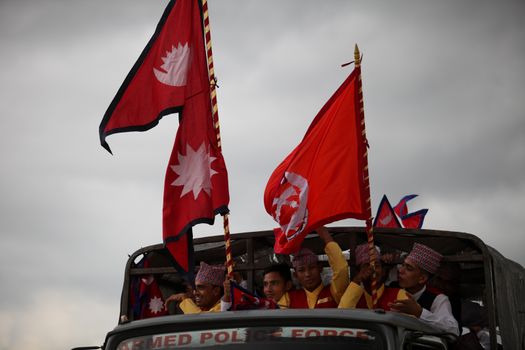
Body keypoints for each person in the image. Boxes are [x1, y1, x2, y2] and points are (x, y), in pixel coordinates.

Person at [389, 243, 460, 336]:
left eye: (409, 268)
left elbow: (453, 329)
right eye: (402, 265)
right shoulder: (391, 288)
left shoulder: (438, 298)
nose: (401, 270)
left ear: (422, 278)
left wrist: (419, 313)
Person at [287, 226, 349, 308]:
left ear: (320, 268)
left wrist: (325, 236)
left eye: (312, 268)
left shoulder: (334, 291)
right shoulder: (289, 298)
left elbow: (341, 270)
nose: (307, 274)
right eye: (301, 270)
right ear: (295, 275)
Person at [338, 243, 408, 310]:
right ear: (358, 272)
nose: (372, 270)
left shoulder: (398, 295)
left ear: (383, 271)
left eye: (376, 266)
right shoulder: (353, 295)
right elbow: (341, 316)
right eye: (366, 266)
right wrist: (356, 280)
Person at [165, 262, 229, 314]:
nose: (195, 293)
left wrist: (184, 299)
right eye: (194, 288)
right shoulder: (200, 309)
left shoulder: (225, 307)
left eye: (201, 288)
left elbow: (202, 321)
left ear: (216, 291)